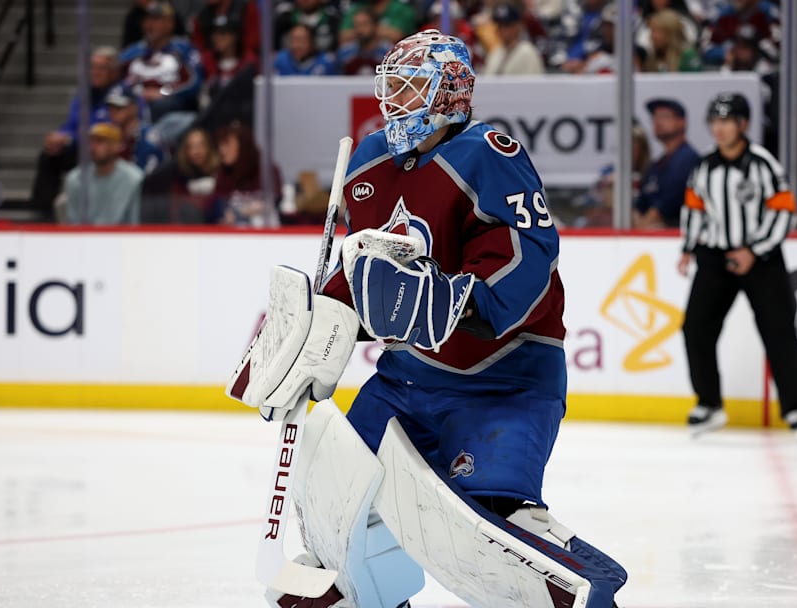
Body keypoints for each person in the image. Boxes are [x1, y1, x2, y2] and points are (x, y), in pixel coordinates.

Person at [226, 29, 626, 607]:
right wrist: (315, 330)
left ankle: (575, 589)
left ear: (451, 95)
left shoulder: (489, 153)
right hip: (405, 381)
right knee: (336, 490)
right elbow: (364, 276)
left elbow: (528, 256)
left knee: (482, 526)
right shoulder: (369, 162)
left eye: (412, 87)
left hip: (503, 382)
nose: (396, 102)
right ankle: (353, 589)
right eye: (393, 87)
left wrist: (459, 301)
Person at [678, 92, 797, 436]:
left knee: (778, 330)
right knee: (696, 328)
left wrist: (755, 250)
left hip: (762, 259)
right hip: (716, 257)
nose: (719, 129)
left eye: (727, 121)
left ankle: (795, 409)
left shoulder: (763, 164)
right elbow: (694, 208)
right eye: (715, 121)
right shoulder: (705, 167)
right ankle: (709, 403)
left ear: (743, 125)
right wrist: (688, 247)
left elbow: (785, 212)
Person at [29, 46, 126, 221]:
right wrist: (60, 136)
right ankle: (41, 215)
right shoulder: (85, 93)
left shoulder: (123, 94)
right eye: (92, 67)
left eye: (101, 68)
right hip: (82, 146)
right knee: (49, 156)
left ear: (114, 71)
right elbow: (72, 124)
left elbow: (110, 127)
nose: (95, 72)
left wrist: (71, 138)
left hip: (107, 150)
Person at [61, 123, 143, 225]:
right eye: (91, 142)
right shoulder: (75, 179)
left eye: (100, 141)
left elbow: (135, 222)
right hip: (84, 239)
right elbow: (72, 222)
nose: (93, 147)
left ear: (117, 146)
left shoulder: (134, 178)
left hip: (122, 238)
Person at [634, 98, 699, 228]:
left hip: (675, 233)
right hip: (650, 235)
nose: (658, 122)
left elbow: (666, 206)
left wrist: (642, 227)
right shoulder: (656, 165)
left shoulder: (687, 159)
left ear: (681, 122)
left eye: (664, 116)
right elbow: (639, 203)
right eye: (654, 117)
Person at [210, 121, 283, 226]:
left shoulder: (268, 171)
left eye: (226, 144)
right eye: (220, 144)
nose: (222, 150)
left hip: (266, 232)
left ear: (243, 145)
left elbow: (276, 200)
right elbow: (219, 205)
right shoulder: (223, 172)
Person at [140, 127, 219, 223]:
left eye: (201, 145)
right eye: (192, 147)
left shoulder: (220, 173)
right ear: (185, 151)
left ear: (209, 147)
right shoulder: (175, 174)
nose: (197, 151)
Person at [482, 3, 546, 75]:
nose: (502, 30)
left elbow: (534, 84)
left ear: (518, 26)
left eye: (507, 25)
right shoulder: (495, 52)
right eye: (499, 26)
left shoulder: (528, 51)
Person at [274, 22, 339, 75]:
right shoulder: (279, 60)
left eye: (302, 41)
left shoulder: (327, 62)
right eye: (293, 40)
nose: (297, 45)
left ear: (312, 42)